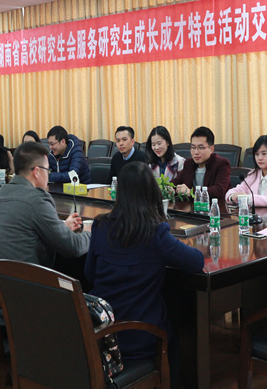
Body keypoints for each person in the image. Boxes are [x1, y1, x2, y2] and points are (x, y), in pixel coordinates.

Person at [85, 161, 204, 386]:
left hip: (102, 331)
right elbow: (196, 261)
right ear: (152, 193)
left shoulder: (101, 226)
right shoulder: (155, 233)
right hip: (138, 335)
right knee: (175, 328)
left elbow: (89, 274)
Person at [0, 141, 90, 298]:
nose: (49, 175)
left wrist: (62, 228)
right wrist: (89, 232)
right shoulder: (37, 199)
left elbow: (24, 232)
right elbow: (73, 247)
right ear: (37, 171)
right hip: (25, 297)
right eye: (48, 170)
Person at [171, 126, 230, 200]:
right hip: (191, 206)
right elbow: (175, 183)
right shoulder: (189, 163)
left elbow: (219, 190)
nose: (196, 152)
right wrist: (170, 188)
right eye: (193, 147)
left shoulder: (221, 164)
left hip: (214, 206)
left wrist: (191, 192)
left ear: (211, 149)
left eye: (201, 148)